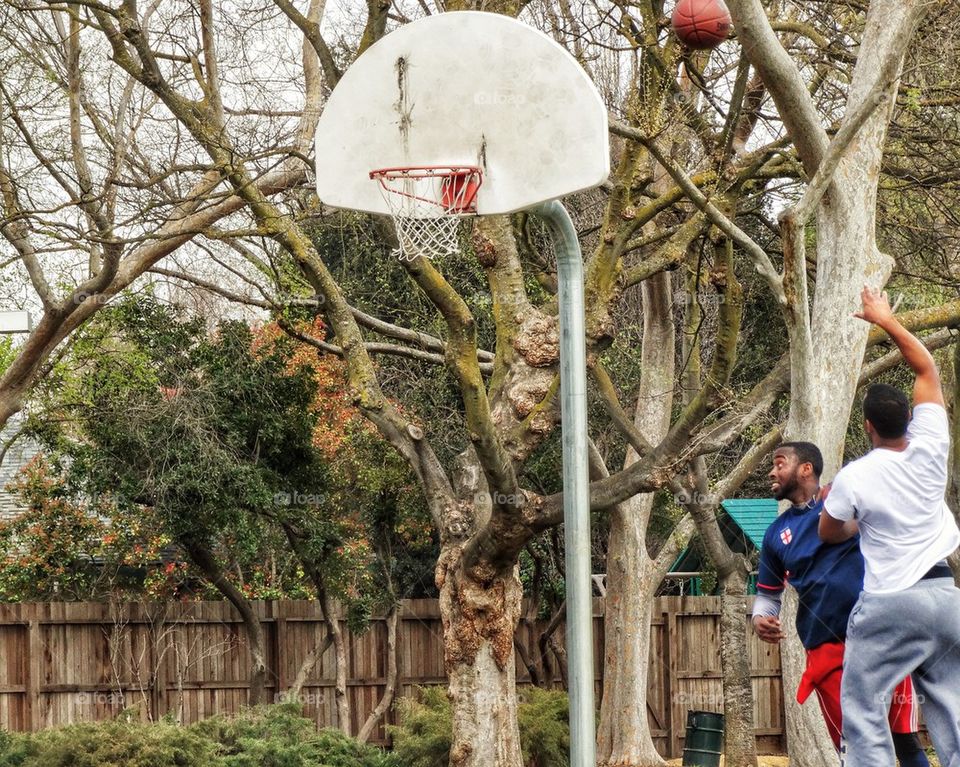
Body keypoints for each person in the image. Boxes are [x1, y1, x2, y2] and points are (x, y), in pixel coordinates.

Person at [820, 286, 960, 767]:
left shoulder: (854, 477)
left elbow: (828, 531)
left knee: (862, 708)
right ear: (912, 418)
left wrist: (856, 525)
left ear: (867, 427)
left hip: (892, 604)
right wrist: (886, 320)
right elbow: (926, 368)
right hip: (946, 597)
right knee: (953, 707)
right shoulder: (931, 443)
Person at [752, 441, 927, 765]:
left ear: (806, 469)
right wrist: (761, 617)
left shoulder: (846, 500)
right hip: (825, 650)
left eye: (780, 463)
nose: (771, 471)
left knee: (903, 737)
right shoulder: (776, 534)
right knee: (854, 746)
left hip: (880, 632)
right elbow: (767, 595)